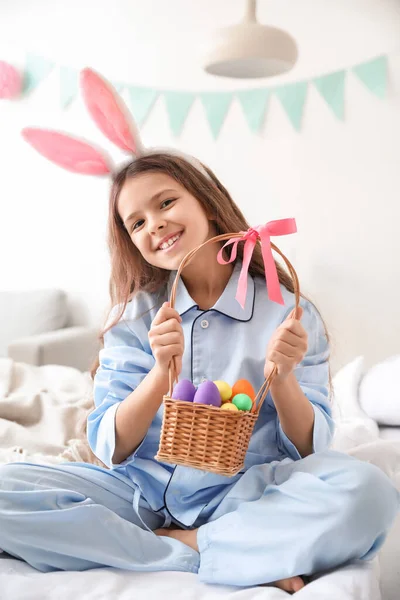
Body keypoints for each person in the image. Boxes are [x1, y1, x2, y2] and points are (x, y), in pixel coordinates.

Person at [0, 69, 398, 595]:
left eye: (165, 203)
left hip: (244, 493)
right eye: (136, 223)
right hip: (134, 492)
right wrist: (160, 375)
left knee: (368, 492)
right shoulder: (135, 316)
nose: (154, 224)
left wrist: (281, 381)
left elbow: (312, 446)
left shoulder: (287, 311)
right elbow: (108, 444)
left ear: (206, 203)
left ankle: (184, 545)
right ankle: (197, 551)